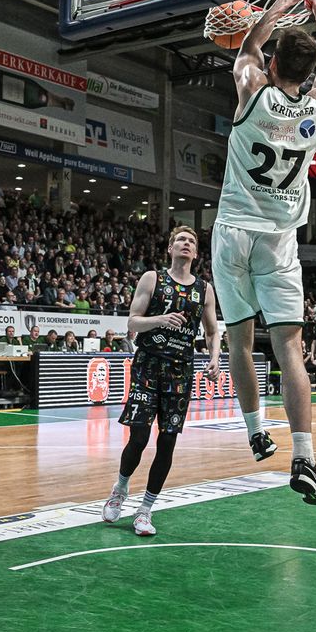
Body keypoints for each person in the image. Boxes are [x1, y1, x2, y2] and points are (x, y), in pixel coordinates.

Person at [211, 0, 316, 505]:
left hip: (234, 230)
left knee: (240, 339)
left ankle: (255, 430)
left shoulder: (251, 89)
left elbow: (246, 48)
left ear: (272, 61)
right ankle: (303, 458)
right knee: (289, 349)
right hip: (279, 239)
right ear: (305, 73)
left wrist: (275, 8)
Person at [103, 227, 221, 536]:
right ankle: (121, 488)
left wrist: (215, 357)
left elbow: (211, 330)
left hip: (180, 371)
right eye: (181, 240)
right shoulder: (152, 279)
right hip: (148, 366)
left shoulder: (205, 289)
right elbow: (132, 321)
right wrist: (160, 319)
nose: (186, 244)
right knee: (139, 439)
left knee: (167, 442)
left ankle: (145, 511)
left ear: (196, 254)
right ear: (170, 248)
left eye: (192, 242)